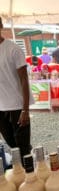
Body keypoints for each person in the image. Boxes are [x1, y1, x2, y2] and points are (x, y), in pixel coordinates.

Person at [0, 16, 34, 159]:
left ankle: (30, 175)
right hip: (1, 107)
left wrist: (25, 110)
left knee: (23, 147)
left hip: (17, 107)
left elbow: (24, 80)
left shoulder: (13, 49)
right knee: (12, 146)